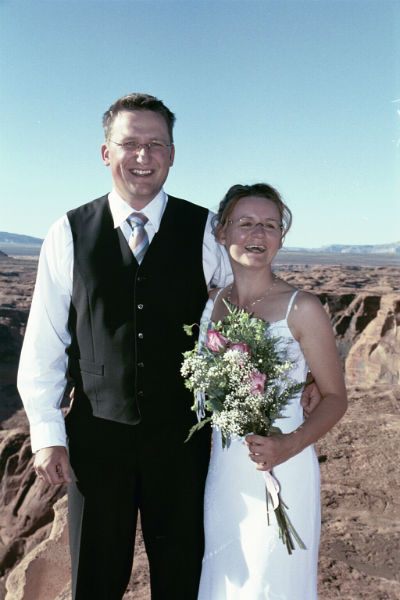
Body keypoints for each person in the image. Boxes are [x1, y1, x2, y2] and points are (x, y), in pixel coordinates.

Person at [17, 94, 319, 600]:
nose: (143, 155)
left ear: (172, 155)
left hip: (182, 445)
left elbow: (251, 303)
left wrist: (301, 372)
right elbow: (45, 341)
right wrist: (47, 432)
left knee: (182, 582)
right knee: (95, 582)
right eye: (130, 143)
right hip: (97, 441)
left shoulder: (206, 231)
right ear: (106, 152)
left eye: (156, 144)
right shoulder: (67, 233)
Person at [197, 183, 347, 599]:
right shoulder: (209, 305)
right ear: (222, 232)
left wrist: (288, 444)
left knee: (271, 583)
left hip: (284, 467)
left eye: (270, 225)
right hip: (224, 476)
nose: (257, 234)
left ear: (281, 237)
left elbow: (336, 398)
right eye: (245, 223)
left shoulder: (303, 307)